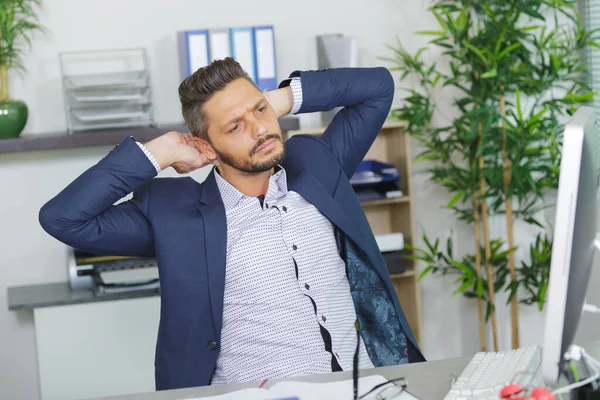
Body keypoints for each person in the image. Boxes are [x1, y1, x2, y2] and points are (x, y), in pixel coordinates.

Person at [39, 57, 425, 391]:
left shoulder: (317, 166)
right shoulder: (177, 215)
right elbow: (62, 217)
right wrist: (161, 151)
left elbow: (377, 88)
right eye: (234, 127)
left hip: (362, 387)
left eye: (260, 112)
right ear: (206, 146)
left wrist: (274, 100)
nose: (259, 130)